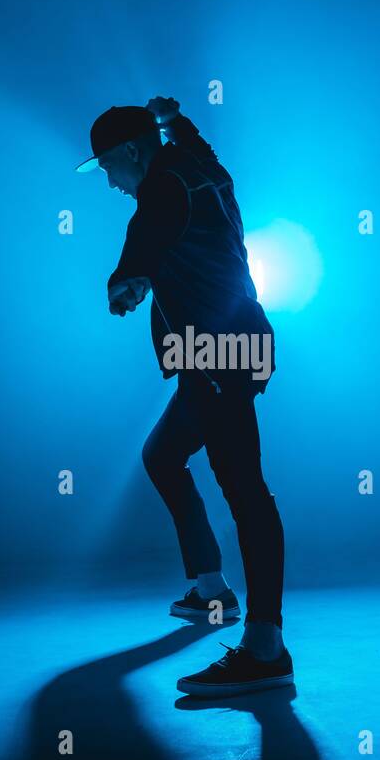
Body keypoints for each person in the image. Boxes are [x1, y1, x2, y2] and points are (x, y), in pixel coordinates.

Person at [75, 96, 292, 698]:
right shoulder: (195, 164)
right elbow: (198, 153)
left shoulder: (163, 186)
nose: (112, 183)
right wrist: (174, 120)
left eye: (109, 168)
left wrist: (129, 278)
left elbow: (150, 227)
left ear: (129, 152)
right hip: (225, 349)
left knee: (245, 490)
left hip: (219, 353)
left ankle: (266, 647)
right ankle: (211, 589)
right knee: (163, 455)